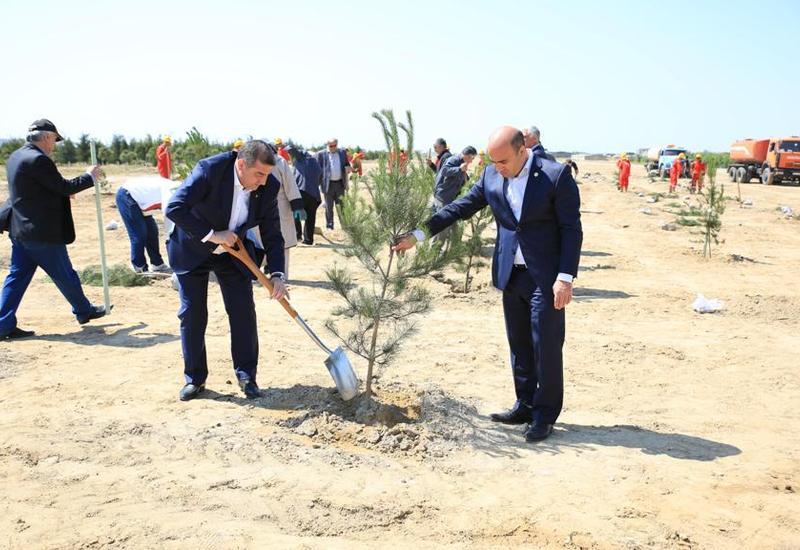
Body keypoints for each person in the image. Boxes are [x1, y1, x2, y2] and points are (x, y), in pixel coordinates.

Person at [394, 127, 582, 442]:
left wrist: (565, 278)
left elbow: (571, 229)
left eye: (504, 161)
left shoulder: (555, 176)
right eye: (493, 161)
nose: (498, 168)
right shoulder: (492, 177)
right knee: (519, 343)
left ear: (523, 150)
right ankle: (524, 404)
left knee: (545, 345)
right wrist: (419, 234)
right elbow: (458, 208)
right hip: (512, 273)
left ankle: (544, 414)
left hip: (546, 278)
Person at [165, 140, 288, 401]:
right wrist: (213, 235)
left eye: (267, 175)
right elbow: (175, 207)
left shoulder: (268, 186)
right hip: (193, 248)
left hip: (234, 253)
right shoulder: (210, 170)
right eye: (259, 174)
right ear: (241, 165)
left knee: (243, 311)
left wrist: (277, 274)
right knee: (193, 313)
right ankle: (195, 379)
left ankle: (246, 376)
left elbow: (273, 234)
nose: (264, 182)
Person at [0, 119, 110, 339]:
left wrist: (59, 193)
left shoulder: (16, 156)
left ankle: (3, 325)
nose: (54, 145)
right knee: (65, 275)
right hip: (41, 233)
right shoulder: (38, 160)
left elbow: (33, 190)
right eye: (54, 140)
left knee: (17, 278)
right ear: (47, 136)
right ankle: (83, 311)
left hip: (21, 230)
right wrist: (90, 176)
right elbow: (63, 187)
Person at [260, 142, 304, 280]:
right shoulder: (253, 162)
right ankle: (258, 275)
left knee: (282, 243)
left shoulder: (280, 162)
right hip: (258, 207)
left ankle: (282, 275)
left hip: (280, 207)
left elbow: (290, 184)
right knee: (258, 243)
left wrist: (297, 205)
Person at [115, 177, 174, 273]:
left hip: (141, 199)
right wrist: (170, 240)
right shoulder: (172, 195)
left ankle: (157, 264)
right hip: (128, 196)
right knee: (139, 234)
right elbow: (170, 223)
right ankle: (140, 267)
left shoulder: (179, 190)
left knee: (152, 231)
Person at [289, 146, 323, 245]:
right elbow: (320, 175)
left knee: (296, 214)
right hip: (313, 194)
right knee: (310, 217)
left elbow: (294, 178)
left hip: (300, 192)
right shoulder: (314, 162)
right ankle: (308, 239)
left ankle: (297, 235)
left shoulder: (298, 163)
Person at [316, 138, 350, 230]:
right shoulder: (321, 154)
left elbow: (347, 164)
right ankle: (329, 226)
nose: (333, 147)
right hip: (328, 185)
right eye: (331, 146)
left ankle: (345, 226)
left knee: (342, 206)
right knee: (329, 207)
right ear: (327, 145)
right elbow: (317, 169)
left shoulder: (342, 152)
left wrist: (348, 168)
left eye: (335, 145)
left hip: (340, 184)